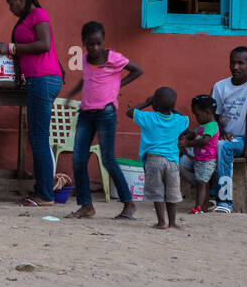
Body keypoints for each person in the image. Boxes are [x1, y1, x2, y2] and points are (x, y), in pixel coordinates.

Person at [0, 0, 64, 207]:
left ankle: (44, 194)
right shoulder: (23, 21)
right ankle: (43, 191)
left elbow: (44, 45)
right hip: (36, 80)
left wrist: (12, 48)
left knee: (39, 139)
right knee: (37, 137)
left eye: (11, 3)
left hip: (44, 80)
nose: (10, 8)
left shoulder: (39, 14)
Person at [62, 21, 141, 219]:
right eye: (90, 44)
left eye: (98, 43)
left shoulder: (113, 58)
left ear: (103, 41)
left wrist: (117, 84)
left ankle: (128, 203)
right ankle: (86, 205)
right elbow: (86, 79)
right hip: (86, 113)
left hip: (106, 113)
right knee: (78, 159)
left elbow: (138, 70)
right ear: (84, 43)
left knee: (108, 159)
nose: (94, 48)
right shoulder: (86, 59)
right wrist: (72, 93)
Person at [210, 46, 247, 213]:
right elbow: (212, 116)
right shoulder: (220, 86)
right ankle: (208, 196)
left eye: (241, 63)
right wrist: (221, 131)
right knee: (188, 156)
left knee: (223, 147)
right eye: (232, 63)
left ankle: (224, 201)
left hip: (246, 140)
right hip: (225, 137)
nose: (235, 67)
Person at [128, 87, 190, 230]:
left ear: (154, 104)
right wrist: (173, 109)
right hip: (172, 162)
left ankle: (162, 222)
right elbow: (185, 119)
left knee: (157, 192)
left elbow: (130, 112)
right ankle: (173, 222)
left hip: (154, 160)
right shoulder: (177, 120)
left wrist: (146, 103)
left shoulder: (148, 117)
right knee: (172, 193)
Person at [180, 95, 221, 215]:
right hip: (200, 159)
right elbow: (196, 134)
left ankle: (198, 208)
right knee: (203, 183)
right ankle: (202, 206)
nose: (196, 118)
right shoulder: (203, 125)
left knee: (201, 184)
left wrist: (188, 143)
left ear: (207, 112)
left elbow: (204, 140)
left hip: (206, 160)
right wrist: (188, 136)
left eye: (197, 115)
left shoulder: (212, 125)